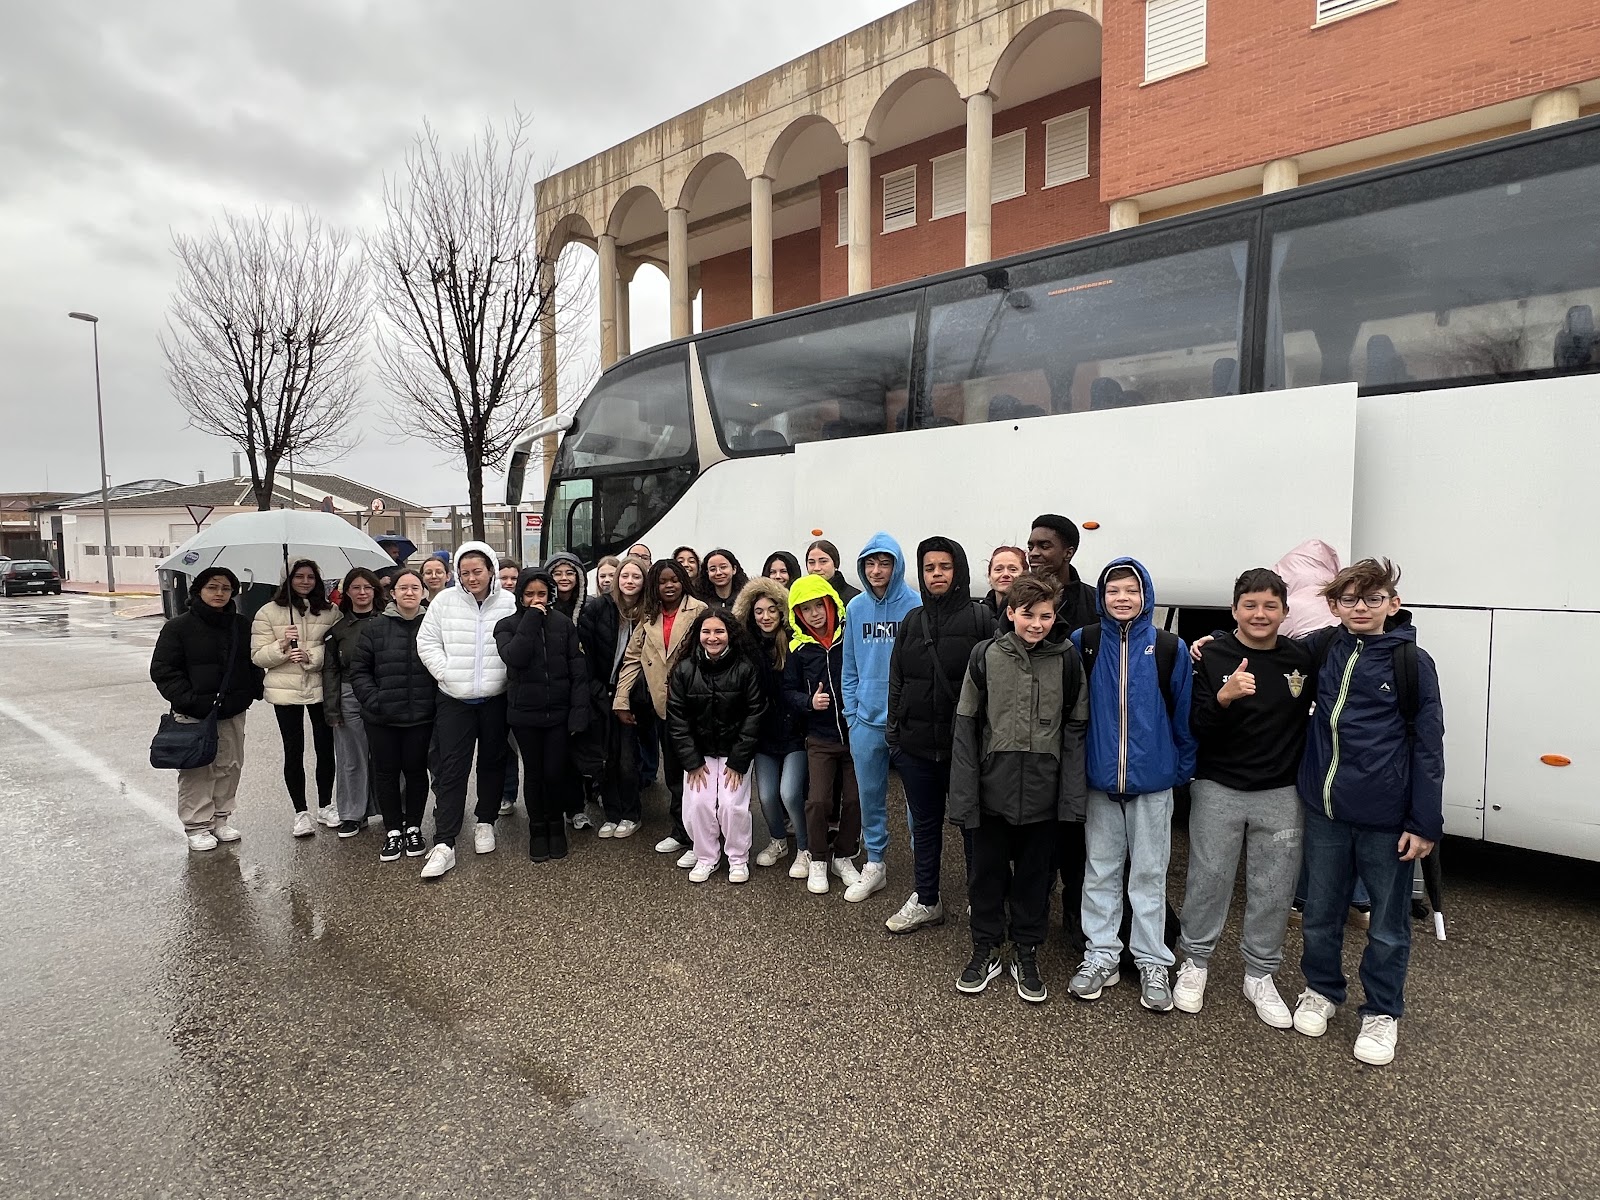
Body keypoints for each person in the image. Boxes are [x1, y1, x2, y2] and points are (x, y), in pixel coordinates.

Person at [1292, 558, 1443, 1067]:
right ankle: (1322, 989)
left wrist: (1424, 823)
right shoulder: (1324, 647)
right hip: (1327, 809)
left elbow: (1429, 746)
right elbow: (1269, 650)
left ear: (1392, 604)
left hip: (1386, 817)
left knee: (1388, 925)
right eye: (1349, 599)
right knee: (1320, 911)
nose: (1361, 608)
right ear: (1334, 606)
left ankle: (1381, 1012)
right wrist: (1212, 643)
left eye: (1372, 598)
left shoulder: (1412, 663)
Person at [1173, 568, 1313, 1028]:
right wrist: (1224, 697)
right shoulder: (1211, 655)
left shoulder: (1300, 659)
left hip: (1280, 791)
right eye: (1250, 605)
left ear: (1285, 612)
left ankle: (1260, 973)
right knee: (1208, 878)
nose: (1259, 614)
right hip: (1218, 786)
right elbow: (1196, 725)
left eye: (1270, 606)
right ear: (1233, 610)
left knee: (1273, 887)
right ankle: (1195, 962)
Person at [949, 573, 1088, 1002]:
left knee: (1035, 879)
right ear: (1010, 613)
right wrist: (965, 797)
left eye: (1045, 616)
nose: (1037, 624)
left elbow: (1075, 731)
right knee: (986, 876)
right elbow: (966, 728)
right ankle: (986, 947)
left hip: (1044, 795)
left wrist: (1071, 799)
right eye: (1028, 614)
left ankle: (1026, 950)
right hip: (993, 792)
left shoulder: (1067, 660)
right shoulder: (985, 656)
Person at [1068, 558, 1196, 1012]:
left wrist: (1179, 770)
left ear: (1147, 596)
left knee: (1149, 874)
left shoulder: (1169, 648)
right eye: (1113, 591)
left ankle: (1152, 960)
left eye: (1132, 590)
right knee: (1100, 871)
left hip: (1152, 783)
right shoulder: (1084, 642)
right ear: (1101, 597)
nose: (1122, 598)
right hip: (1099, 781)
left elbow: (1183, 714)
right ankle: (1101, 954)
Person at [885, 536, 995, 933]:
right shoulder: (912, 622)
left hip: (964, 751)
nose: (936, 574)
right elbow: (897, 680)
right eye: (929, 568)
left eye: (944, 567)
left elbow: (995, 686)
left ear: (958, 571)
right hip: (916, 749)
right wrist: (894, 738)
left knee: (972, 828)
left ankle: (980, 901)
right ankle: (927, 899)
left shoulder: (982, 619)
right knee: (925, 827)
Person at [414, 542, 516, 879]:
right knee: (451, 769)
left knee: (492, 762)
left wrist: (505, 675)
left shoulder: (508, 602)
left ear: (490, 571)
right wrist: (446, 673)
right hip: (454, 699)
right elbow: (426, 641)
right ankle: (445, 842)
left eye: (478, 571)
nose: (472, 578)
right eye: (465, 572)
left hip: (495, 698)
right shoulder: (444, 601)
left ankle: (485, 821)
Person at [149, 567, 264, 850]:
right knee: (198, 769)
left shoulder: (240, 625)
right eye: (213, 587)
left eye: (226, 588)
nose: (219, 593)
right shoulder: (178, 627)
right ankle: (197, 825)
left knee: (229, 765)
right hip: (194, 713)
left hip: (232, 710)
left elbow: (252, 663)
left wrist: (249, 693)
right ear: (199, 590)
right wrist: (191, 700)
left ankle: (220, 818)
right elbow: (163, 670)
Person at [840, 533, 919, 903]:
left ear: (896, 565)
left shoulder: (915, 605)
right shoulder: (856, 607)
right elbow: (849, 666)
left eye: (884, 563)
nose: (876, 570)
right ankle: (875, 863)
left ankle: (924, 874)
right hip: (866, 722)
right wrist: (852, 715)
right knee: (870, 797)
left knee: (917, 802)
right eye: (870, 563)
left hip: (907, 724)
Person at [614, 559, 708, 863]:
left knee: (697, 772)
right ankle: (681, 831)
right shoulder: (649, 615)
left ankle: (702, 838)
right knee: (673, 773)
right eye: (662, 581)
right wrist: (621, 700)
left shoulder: (699, 610)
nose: (669, 586)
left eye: (674, 580)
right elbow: (632, 658)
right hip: (662, 704)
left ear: (683, 582)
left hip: (694, 704)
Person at [496, 567, 590, 862]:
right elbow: (515, 657)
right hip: (525, 715)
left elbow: (578, 670)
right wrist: (532, 619)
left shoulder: (563, 624)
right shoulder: (506, 626)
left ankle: (556, 825)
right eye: (529, 594)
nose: (536, 599)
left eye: (542, 594)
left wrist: (578, 713)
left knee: (555, 772)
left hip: (558, 714)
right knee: (534, 773)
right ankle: (537, 829)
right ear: (520, 596)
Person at [667, 609, 766, 883]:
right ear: (698, 635)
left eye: (719, 631)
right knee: (699, 804)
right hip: (700, 754)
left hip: (735, 753)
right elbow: (677, 719)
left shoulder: (746, 669)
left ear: (730, 634)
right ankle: (706, 856)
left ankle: (737, 858)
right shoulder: (684, 670)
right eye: (707, 631)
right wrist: (691, 761)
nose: (713, 638)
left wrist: (738, 760)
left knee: (732, 806)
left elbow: (755, 714)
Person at [349, 567, 435, 863]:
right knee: (385, 773)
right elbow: (359, 670)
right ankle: (393, 829)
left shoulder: (432, 624)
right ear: (392, 593)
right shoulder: (375, 627)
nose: (409, 592)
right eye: (403, 588)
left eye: (415, 587)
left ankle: (414, 827)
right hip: (382, 717)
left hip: (421, 716)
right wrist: (374, 700)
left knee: (416, 772)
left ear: (423, 593)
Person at [251, 558, 342, 836]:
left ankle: (325, 805)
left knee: (325, 748)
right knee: (294, 750)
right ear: (288, 580)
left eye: (310, 577)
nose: (305, 582)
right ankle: (300, 812)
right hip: (285, 690)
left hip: (320, 687)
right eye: (299, 576)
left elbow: (337, 648)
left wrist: (310, 655)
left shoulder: (330, 611)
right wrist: (281, 647)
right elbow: (257, 656)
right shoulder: (268, 612)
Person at [782, 574, 859, 896]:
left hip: (855, 735)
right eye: (806, 609)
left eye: (819, 606)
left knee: (855, 799)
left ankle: (844, 855)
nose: (814, 614)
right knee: (817, 800)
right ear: (797, 614)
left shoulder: (849, 637)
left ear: (831, 604)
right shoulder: (798, 649)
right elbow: (787, 691)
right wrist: (808, 703)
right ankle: (817, 857)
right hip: (820, 737)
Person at [734, 577, 809, 875]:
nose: (765, 617)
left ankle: (804, 847)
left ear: (782, 612)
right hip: (763, 736)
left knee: (790, 793)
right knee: (765, 796)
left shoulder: (795, 643)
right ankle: (778, 840)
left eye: (771, 610)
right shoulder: (746, 647)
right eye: (758, 611)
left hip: (794, 733)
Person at [580, 555, 648, 838]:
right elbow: (585, 652)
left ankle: (631, 814)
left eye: (636, 576)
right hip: (601, 693)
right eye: (625, 576)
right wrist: (596, 690)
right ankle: (611, 813)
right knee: (605, 758)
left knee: (627, 759)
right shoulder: (599, 608)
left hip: (632, 696)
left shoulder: (649, 611)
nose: (629, 581)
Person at [322, 567, 382, 837]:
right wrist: (332, 709)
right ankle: (352, 814)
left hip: (382, 691)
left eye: (367, 587)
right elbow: (331, 670)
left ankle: (395, 810)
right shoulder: (338, 630)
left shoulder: (387, 621)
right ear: (347, 592)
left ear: (375, 591)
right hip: (348, 693)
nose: (362, 592)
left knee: (388, 755)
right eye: (356, 587)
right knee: (351, 757)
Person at [1027, 515, 1097, 632]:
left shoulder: (1094, 601)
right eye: (1030, 548)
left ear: (1068, 553)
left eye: (1044, 547)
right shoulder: (1014, 598)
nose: (1033, 553)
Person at [805, 538, 859, 606]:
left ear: (835, 563)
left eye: (823, 561)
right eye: (811, 562)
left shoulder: (854, 599)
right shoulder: (801, 595)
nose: (817, 568)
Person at [982, 545, 1027, 619]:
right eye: (998, 569)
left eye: (1013, 569)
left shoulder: (1034, 611)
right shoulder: (978, 615)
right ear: (989, 576)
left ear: (1025, 575)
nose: (1005, 574)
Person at [545, 552, 587, 623]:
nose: (564, 578)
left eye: (569, 573)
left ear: (578, 578)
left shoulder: (589, 607)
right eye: (558, 574)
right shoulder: (542, 608)